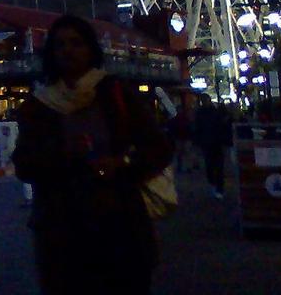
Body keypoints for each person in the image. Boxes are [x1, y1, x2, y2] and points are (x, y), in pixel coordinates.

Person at [12, 15, 172, 295]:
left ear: (90, 49)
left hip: (120, 226)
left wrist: (122, 165)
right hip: (62, 232)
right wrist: (63, 156)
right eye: (60, 44)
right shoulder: (38, 105)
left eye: (76, 43)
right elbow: (24, 164)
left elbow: (158, 147)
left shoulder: (117, 94)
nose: (68, 50)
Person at [193, 96, 232, 199]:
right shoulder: (212, 112)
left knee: (216, 166)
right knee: (212, 166)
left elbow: (197, 128)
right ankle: (217, 186)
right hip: (211, 142)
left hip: (213, 142)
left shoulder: (205, 113)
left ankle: (217, 186)